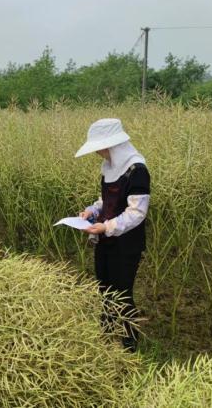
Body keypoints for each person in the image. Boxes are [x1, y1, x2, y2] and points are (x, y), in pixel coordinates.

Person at [75, 118, 150, 352]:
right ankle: (106, 335)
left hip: (126, 244)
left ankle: (129, 344)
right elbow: (106, 200)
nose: (98, 152)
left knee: (122, 293)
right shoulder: (109, 168)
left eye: (100, 148)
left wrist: (106, 226)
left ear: (112, 145)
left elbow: (137, 212)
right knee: (105, 289)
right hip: (105, 240)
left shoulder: (137, 170)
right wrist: (92, 210)